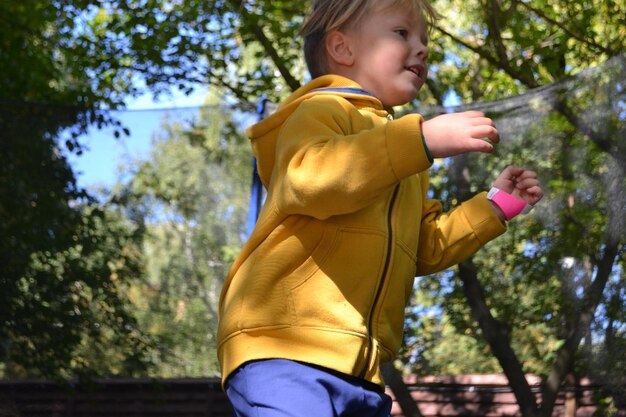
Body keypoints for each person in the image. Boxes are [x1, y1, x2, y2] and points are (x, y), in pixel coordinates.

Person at [217, 0, 544, 415]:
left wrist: (494, 207)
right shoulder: (321, 109)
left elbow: (424, 247)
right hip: (285, 345)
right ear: (343, 48)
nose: (422, 48)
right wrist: (420, 140)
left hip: (361, 370)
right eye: (402, 33)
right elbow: (311, 180)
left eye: (424, 39)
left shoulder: (402, 161)